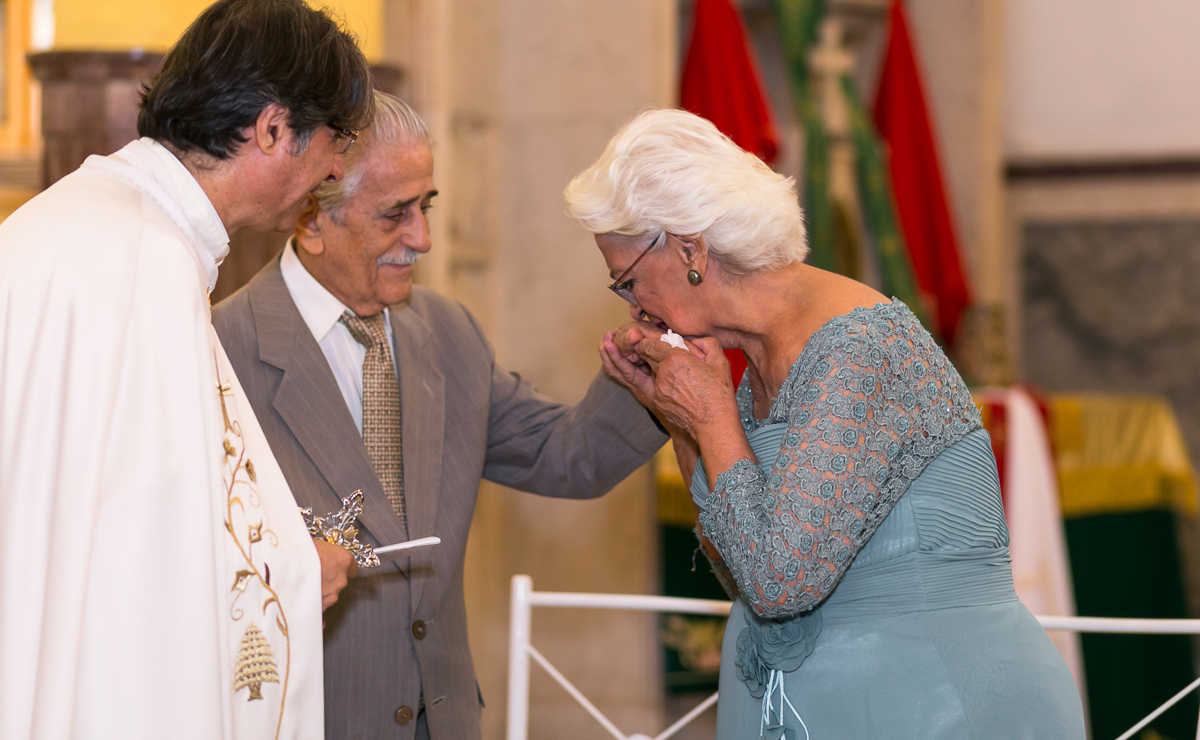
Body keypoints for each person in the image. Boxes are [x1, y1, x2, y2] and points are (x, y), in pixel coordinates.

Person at [565, 108, 1086, 739]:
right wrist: (681, 422)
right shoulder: (753, 365)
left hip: (937, 703)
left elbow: (779, 582)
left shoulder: (857, 347)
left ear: (689, 248)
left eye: (627, 281)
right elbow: (740, 571)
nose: (632, 307)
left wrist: (710, 414)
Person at [211, 91, 667, 740]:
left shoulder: (448, 332)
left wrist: (652, 353)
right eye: (394, 215)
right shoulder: (222, 352)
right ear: (310, 219)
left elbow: (570, 457)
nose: (422, 239)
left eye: (424, 206)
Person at [0, 1, 372, 737]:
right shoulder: (148, 265)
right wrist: (300, 572)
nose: (336, 168)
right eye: (338, 139)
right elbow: (145, 570)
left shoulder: (59, 222)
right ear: (273, 128)